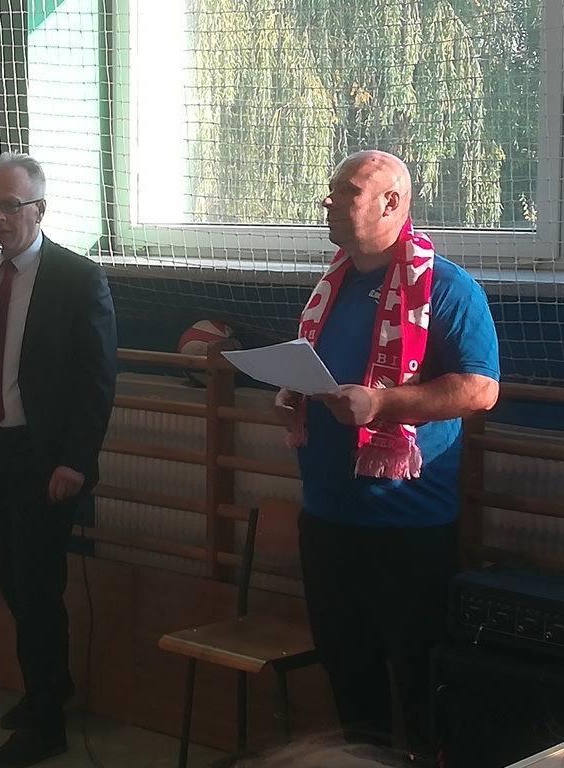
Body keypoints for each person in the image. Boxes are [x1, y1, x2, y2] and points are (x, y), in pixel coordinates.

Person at [274, 151, 500, 762]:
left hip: (407, 528)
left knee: (422, 691)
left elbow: (480, 390)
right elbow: (326, 375)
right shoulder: (332, 286)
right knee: (350, 686)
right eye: (330, 189)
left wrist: (383, 403)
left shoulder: (447, 288)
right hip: (326, 520)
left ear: (391, 203)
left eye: (345, 191)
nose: (328, 201)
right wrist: (294, 395)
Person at [0, 151, 117, 768]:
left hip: (44, 460)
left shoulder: (76, 278)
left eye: (10, 206)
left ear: (40, 209)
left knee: (37, 588)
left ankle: (45, 722)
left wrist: (76, 461)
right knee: (9, 577)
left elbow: (97, 381)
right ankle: (49, 687)